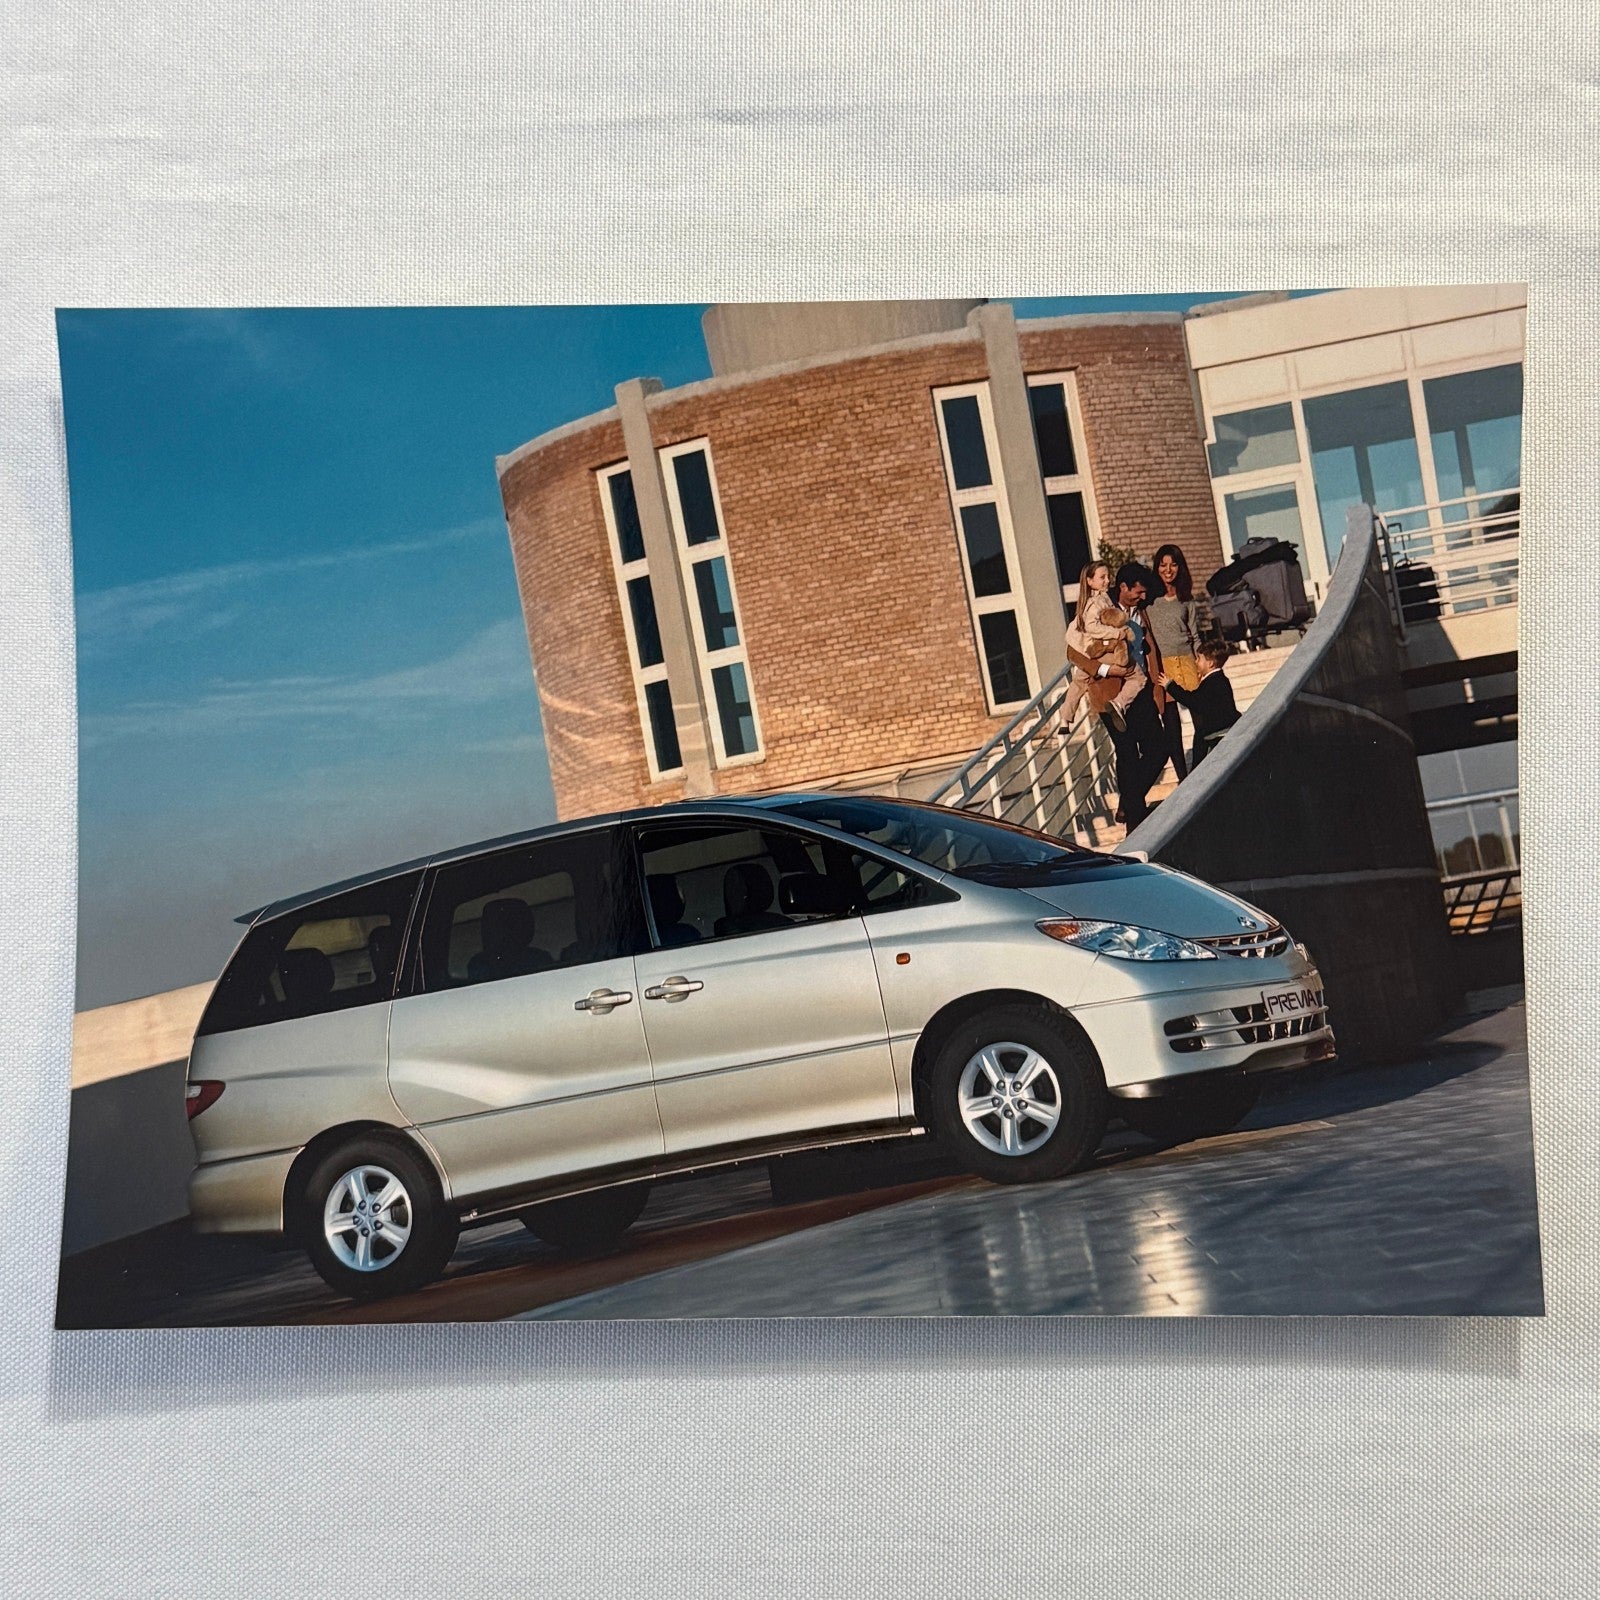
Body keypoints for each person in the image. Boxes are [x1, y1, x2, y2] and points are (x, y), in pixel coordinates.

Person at [1101, 563, 1168, 828]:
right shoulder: (1101, 611)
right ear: (1123, 587)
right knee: (1127, 753)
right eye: (1137, 592)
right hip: (1113, 695)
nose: (1142, 597)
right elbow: (1082, 649)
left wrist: (1157, 690)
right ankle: (1134, 821)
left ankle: (1129, 802)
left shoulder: (1140, 613)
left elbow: (1151, 651)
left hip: (1141, 692)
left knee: (1158, 749)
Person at [1145, 543, 1208, 780]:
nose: (1168, 570)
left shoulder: (1186, 599)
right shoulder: (1149, 600)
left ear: (1180, 568)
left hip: (1188, 662)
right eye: (1163, 565)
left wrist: (1203, 662)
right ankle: (1183, 777)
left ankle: (1199, 768)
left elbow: (1195, 635)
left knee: (1201, 720)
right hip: (1164, 665)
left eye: (1173, 565)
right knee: (1172, 726)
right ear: (1157, 567)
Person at [1062, 560, 1134, 729]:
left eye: (1108, 576)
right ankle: (1118, 704)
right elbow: (1093, 627)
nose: (1107, 580)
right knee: (1133, 674)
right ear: (1090, 581)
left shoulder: (1102, 597)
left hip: (1093, 648)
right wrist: (1117, 633)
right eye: (1102, 577)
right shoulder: (1094, 603)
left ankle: (1065, 717)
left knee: (1079, 682)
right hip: (1090, 649)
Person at [1158, 640, 1240, 770]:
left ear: (1210, 663)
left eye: (1199, 658)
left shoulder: (1212, 683)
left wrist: (1170, 686)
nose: (1195, 662)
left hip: (1215, 733)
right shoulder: (1220, 680)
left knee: (1200, 759)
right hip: (1223, 729)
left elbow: (1192, 700)